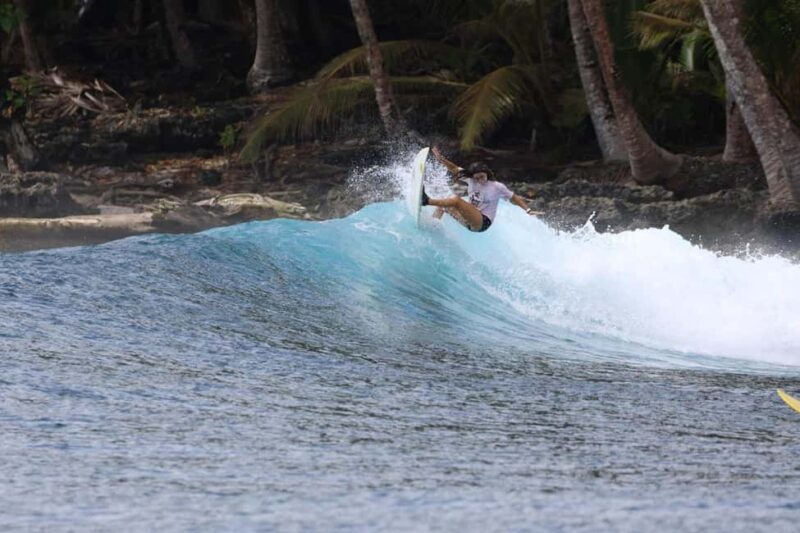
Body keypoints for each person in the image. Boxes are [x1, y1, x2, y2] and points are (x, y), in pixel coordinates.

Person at [422, 146, 542, 232]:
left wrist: (528, 210)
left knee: (456, 200)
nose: (480, 180)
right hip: (469, 221)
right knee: (443, 206)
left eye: (482, 176)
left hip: (482, 222)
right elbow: (454, 168)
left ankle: (427, 201)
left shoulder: (496, 186)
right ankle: (432, 228)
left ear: (487, 174)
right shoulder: (471, 180)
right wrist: (440, 159)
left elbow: (513, 197)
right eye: (477, 178)